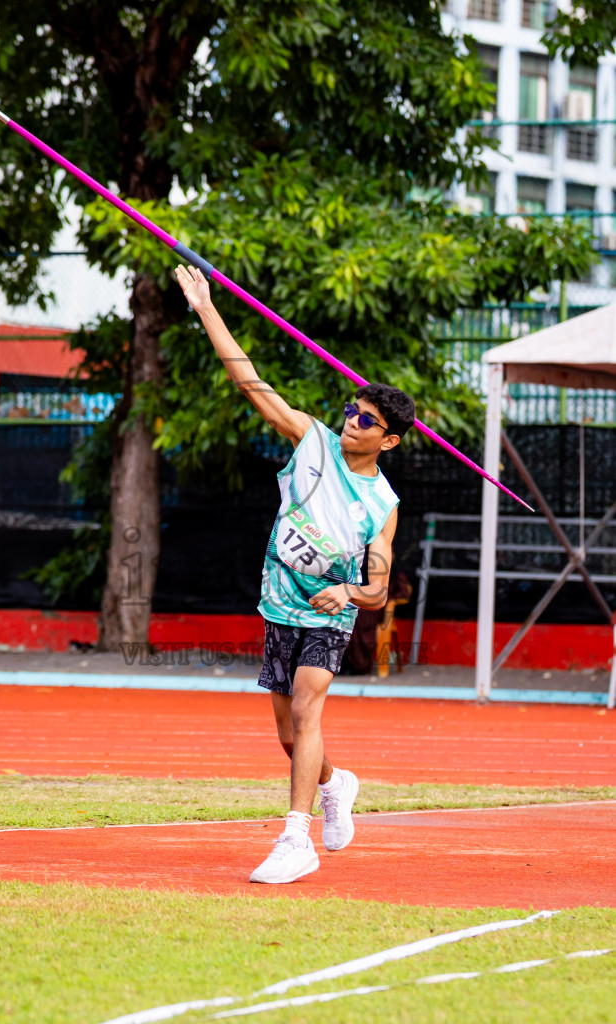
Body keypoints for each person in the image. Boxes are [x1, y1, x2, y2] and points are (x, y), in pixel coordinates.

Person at [175, 264, 415, 884]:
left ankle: (294, 837)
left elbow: (379, 588)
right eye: (351, 410)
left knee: (309, 714)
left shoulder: (381, 506)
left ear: (388, 442)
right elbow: (251, 383)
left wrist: (349, 591)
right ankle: (337, 784)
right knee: (288, 734)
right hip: (279, 602)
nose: (351, 421)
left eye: (366, 421)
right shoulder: (312, 442)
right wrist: (205, 307)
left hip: (327, 614)